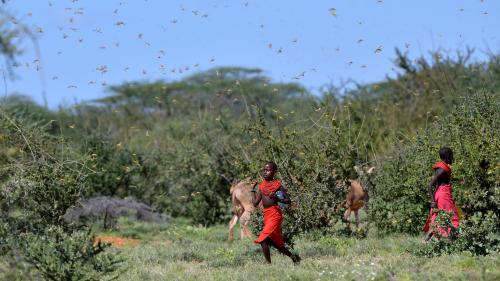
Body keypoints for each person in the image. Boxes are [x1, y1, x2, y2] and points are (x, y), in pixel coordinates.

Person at [252, 161, 301, 264]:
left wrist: (277, 198)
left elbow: (288, 200)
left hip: (275, 214)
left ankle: (269, 265)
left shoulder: (277, 185)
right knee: (275, 242)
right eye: (264, 170)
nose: (265, 172)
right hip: (267, 215)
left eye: (268, 170)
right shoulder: (262, 187)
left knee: (263, 240)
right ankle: (294, 258)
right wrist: (253, 190)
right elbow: (255, 203)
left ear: (274, 172)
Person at [423, 147, 460, 241]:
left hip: (440, 193)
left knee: (439, 217)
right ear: (447, 157)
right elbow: (430, 185)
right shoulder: (442, 169)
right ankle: (456, 240)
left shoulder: (441, 167)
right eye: (451, 156)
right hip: (443, 194)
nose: (452, 158)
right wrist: (433, 201)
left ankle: (426, 240)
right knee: (452, 216)